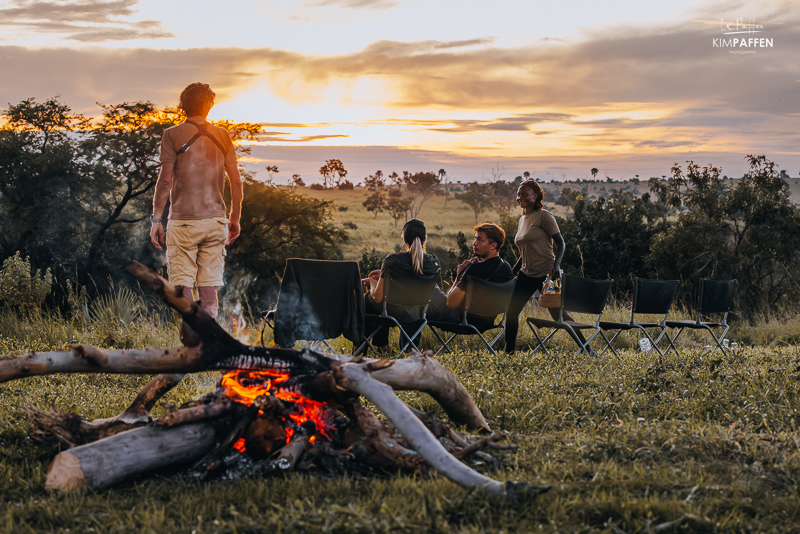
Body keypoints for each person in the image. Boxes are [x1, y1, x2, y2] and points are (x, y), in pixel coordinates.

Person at [150, 82, 243, 330]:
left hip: (183, 221)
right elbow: (236, 181)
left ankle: (192, 338)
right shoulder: (223, 135)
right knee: (208, 285)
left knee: (182, 284)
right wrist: (235, 219)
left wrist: (156, 219)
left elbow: (165, 181)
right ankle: (208, 340)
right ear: (210, 105)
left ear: (183, 105)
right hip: (215, 221)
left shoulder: (172, 134)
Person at [505, 179, 585, 352]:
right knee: (511, 312)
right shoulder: (522, 220)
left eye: (525, 194)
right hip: (526, 274)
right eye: (519, 194)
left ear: (535, 195)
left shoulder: (544, 216)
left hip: (547, 274)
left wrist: (556, 265)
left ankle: (586, 348)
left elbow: (561, 243)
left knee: (558, 315)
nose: (520, 197)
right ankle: (508, 353)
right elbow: (524, 250)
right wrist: (513, 271)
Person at [362, 219, 440, 353]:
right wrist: (383, 275)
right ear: (425, 239)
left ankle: (372, 347)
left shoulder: (392, 260)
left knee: (365, 301)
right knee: (377, 303)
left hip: (391, 312)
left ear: (404, 240)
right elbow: (411, 280)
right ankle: (397, 348)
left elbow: (378, 298)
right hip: (416, 314)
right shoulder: (433, 262)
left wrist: (372, 282)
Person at [428, 222, 514, 323]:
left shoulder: (474, 269)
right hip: (486, 323)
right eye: (475, 238)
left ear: (493, 245)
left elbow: (450, 303)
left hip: (460, 320)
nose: (474, 243)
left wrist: (459, 275)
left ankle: (410, 335)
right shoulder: (506, 268)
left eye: (480, 240)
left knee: (429, 288)